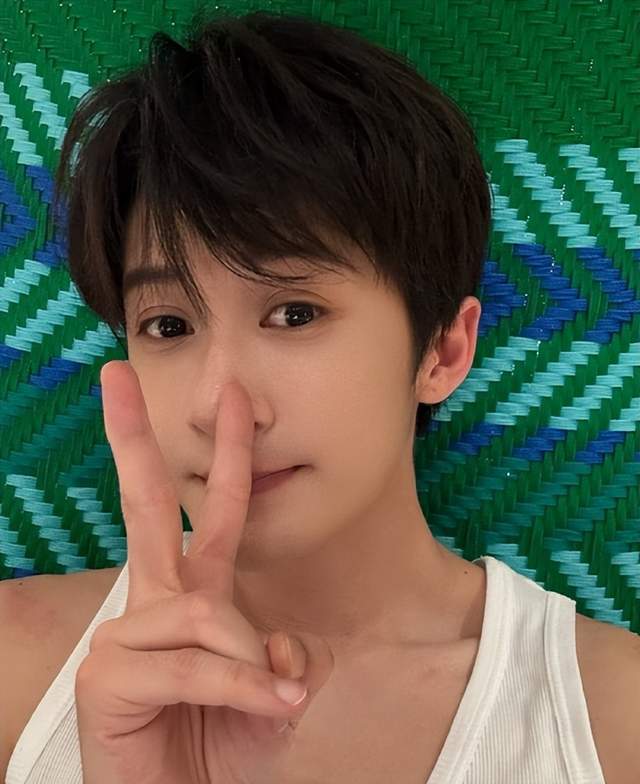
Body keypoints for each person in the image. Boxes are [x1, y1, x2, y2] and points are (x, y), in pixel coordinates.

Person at [2, 7, 639, 784]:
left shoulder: (612, 719)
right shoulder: (18, 669)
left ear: (442, 350)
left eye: (295, 313)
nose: (220, 406)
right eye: (168, 325)